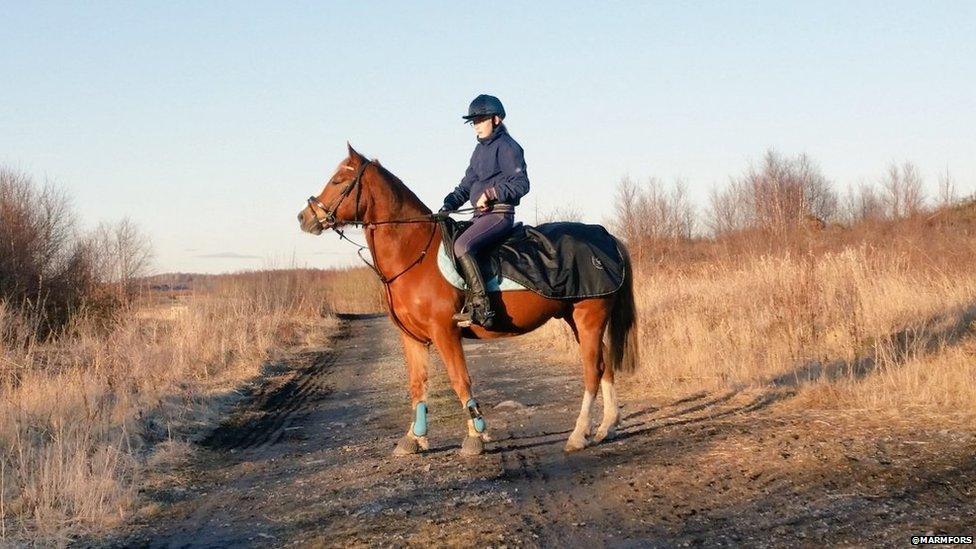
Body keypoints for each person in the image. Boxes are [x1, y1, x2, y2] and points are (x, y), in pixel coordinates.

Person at [440, 94, 530, 328]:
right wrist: (448, 205)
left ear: (496, 119)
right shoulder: (478, 152)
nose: (475, 127)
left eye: (480, 120)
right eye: (473, 122)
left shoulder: (508, 147)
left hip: (499, 215)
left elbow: (522, 184)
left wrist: (491, 193)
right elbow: (466, 185)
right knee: (450, 242)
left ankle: (482, 307)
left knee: (462, 246)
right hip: (479, 216)